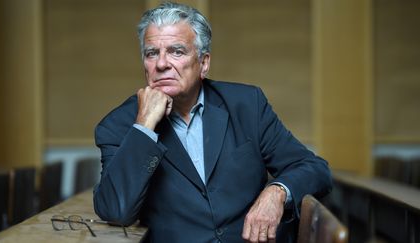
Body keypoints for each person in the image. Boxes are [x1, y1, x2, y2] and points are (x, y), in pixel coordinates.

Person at [93, 2, 332, 243]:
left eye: (177, 51)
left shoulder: (247, 104)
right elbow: (116, 211)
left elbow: (314, 168)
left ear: (204, 63)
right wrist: (144, 126)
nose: (162, 64)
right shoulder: (119, 125)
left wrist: (277, 192)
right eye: (152, 53)